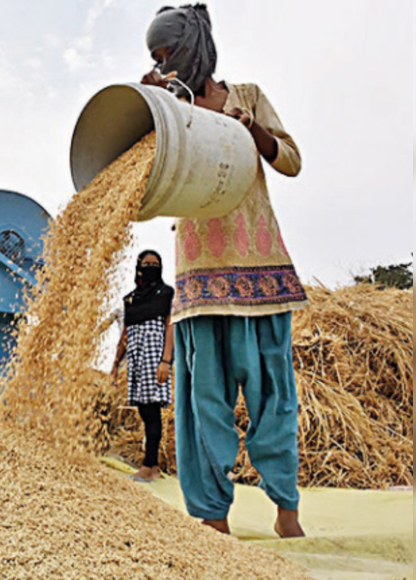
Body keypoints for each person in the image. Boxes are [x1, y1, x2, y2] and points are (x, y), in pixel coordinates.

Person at [142, 4, 308, 538]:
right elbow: (137, 171)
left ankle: (287, 512)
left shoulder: (248, 96)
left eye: (167, 55)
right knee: (204, 407)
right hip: (198, 278)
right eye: (155, 59)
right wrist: (147, 99)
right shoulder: (166, 107)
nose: (163, 65)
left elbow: (291, 160)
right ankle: (212, 522)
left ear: (194, 48)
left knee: (273, 397)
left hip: (260, 271)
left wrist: (251, 130)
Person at [112, 251, 175, 483]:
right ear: (138, 266)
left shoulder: (165, 293)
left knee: (152, 411)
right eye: (146, 264)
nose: (150, 268)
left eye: (155, 264)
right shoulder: (131, 298)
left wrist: (166, 360)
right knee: (143, 409)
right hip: (136, 356)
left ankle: (147, 466)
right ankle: (154, 466)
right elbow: (125, 334)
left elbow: (170, 326)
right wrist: (115, 365)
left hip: (153, 354)